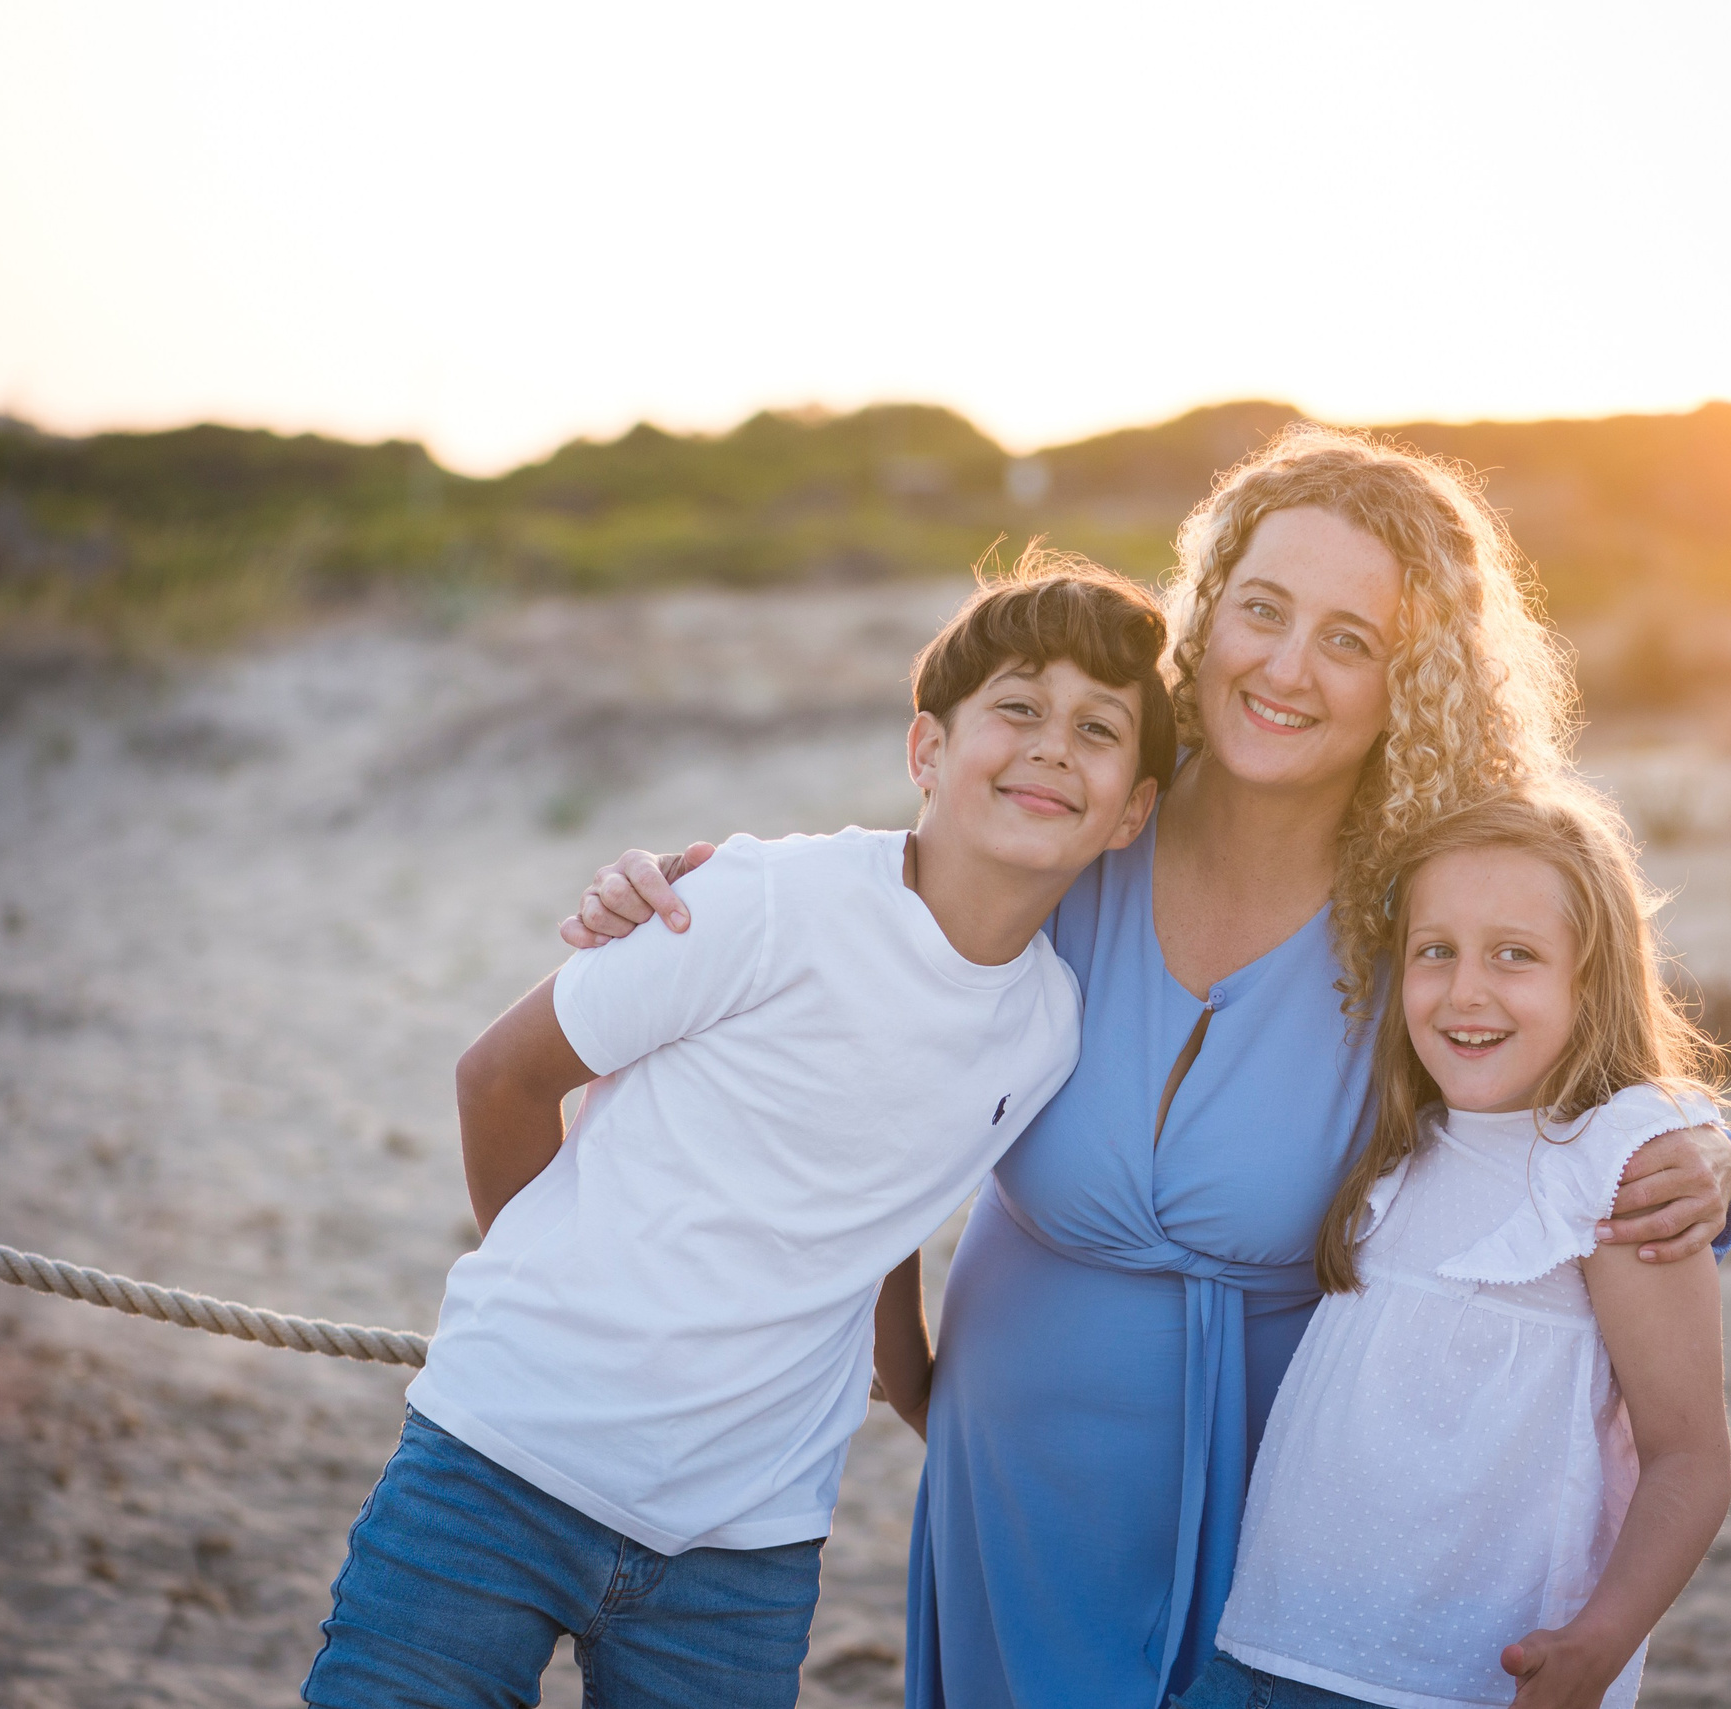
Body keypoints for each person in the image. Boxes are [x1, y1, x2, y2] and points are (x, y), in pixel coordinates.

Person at [566, 426, 1731, 1709]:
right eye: (1262, 610)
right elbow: (863, 962)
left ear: (1413, 680)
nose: (1285, 667)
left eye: (1350, 639)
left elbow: (1574, 1060)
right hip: (1014, 1479)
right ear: (1205, 611)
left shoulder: (1424, 895)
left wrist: (1696, 1143)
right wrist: (679, 889)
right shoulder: (1081, 816)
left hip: (1285, 1499)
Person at [300, 553, 1176, 1709]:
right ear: (926, 748)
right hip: (502, 1460)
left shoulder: (1048, 1027)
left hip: (743, 1546)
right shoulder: (763, 900)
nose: (1053, 746)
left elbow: (883, 1206)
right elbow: (498, 1077)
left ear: (1132, 812)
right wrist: (562, 1292)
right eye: (1017, 708)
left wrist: (922, 1393)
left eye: (1097, 728)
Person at [1183, 784, 1731, 1709]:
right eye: (1435, 951)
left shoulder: (1618, 1163)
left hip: (1453, 1682)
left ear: (1590, 979)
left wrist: (1597, 1644)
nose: (1465, 990)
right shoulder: (1398, 1137)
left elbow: (1690, 1456)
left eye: (1515, 955)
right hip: (1263, 1654)